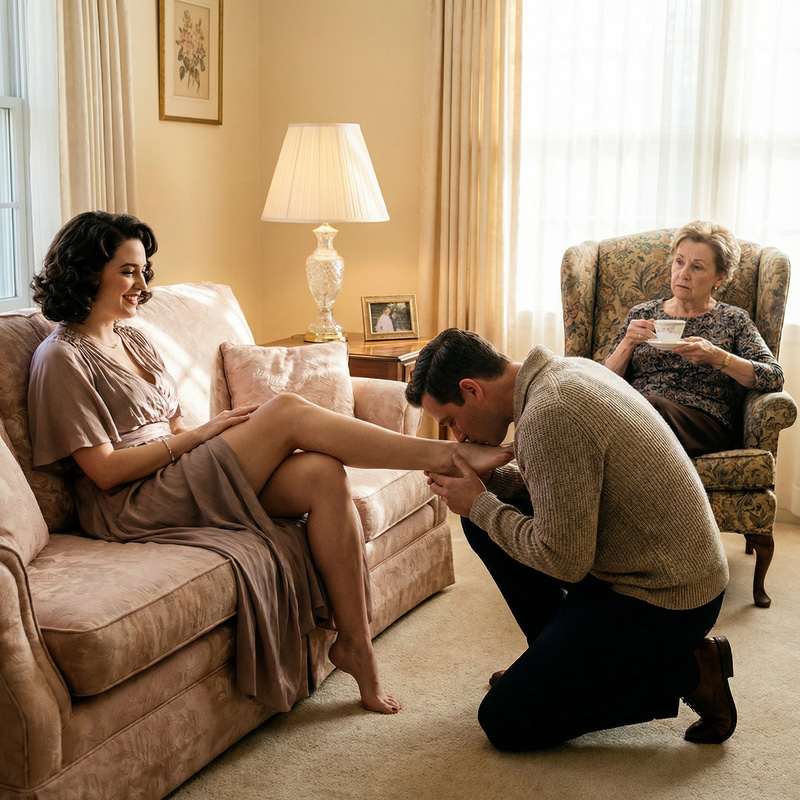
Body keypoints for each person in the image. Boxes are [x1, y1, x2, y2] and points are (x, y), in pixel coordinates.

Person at [27, 211, 512, 717]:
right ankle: (454, 455)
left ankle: (356, 646)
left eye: (145, 270)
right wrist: (204, 434)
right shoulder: (60, 358)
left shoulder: (134, 337)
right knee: (284, 412)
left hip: (176, 470)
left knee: (323, 473)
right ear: (86, 271)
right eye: (129, 271)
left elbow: (170, 429)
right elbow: (104, 471)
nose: (143, 284)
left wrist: (205, 438)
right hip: (128, 501)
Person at [405, 328, 737, 751]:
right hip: (636, 566)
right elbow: (564, 491)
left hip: (667, 600)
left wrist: (482, 504)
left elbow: (563, 559)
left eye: (451, 420)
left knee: (506, 721)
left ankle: (691, 672)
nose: (456, 435)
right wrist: (487, 487)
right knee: (480, 516)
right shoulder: (562, 372)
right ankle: (552, 663)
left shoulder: (551, 412)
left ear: (472, 390)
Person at [603, 220, 784, 457]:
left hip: (702, 423)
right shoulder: (642, 314)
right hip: (637, 414)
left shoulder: (733, 319)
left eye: (697, 267)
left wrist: (718, 358)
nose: (683, 273)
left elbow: (774, 377)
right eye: (679, 262)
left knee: (651, 408)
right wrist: (627, 344)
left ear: (719, 277)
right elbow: (602, 381)